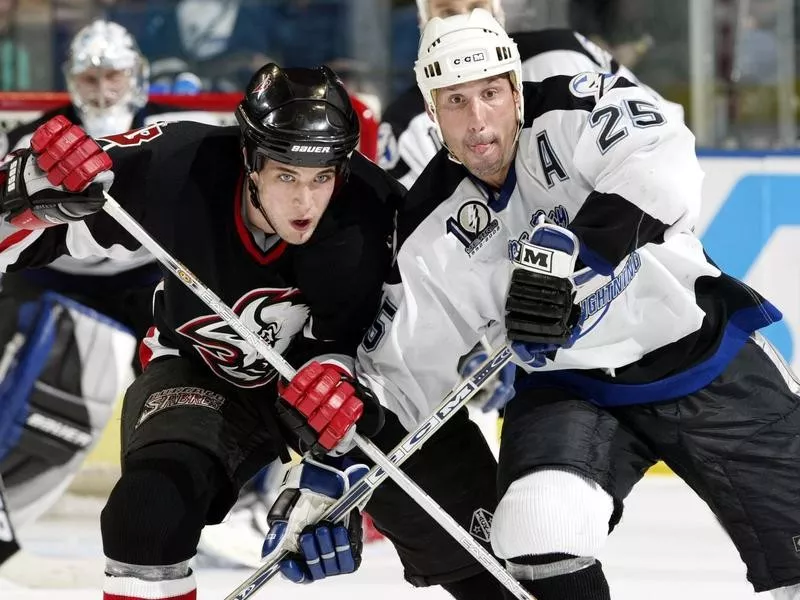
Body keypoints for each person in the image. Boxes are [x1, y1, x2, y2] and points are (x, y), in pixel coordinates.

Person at [283, 9, 800, 600]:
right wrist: (329, 472)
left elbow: (665, 157)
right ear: (431, 112)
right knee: (535, 531)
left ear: (515, 90)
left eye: (489, 95)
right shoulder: (429, 226)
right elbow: (401, 375)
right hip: (573, 390)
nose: (478, 122)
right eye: (454, 102)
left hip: (699, 350)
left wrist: (579, 257)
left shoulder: (572, 106)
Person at [0, 61, 504, 599]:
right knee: (146, 516)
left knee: (488, 550)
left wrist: (333, 478)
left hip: (355, 392)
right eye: (286, 175)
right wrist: (27, 185)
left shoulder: (378, 217)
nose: (305, 202)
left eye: (321, 178)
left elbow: (406, 355)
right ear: (251, 159)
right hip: (208, 372)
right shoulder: (178, 166)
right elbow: (21, 228)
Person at [0, 17, 228, 538]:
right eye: (89, 80)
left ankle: (207, 489)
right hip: (54, 275)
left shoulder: (168, 134)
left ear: (138, 76)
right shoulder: (31, 136)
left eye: (114, 77)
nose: (102, 92)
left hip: (141, 275)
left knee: (189, 363)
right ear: (70, 80)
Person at [378, 0, 683, 191]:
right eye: (446, 13)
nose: (464, 24)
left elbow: (663, 136)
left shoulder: (565, 55)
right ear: (422, 18)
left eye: (476, 8)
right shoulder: (406, 126)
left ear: (498, 9)